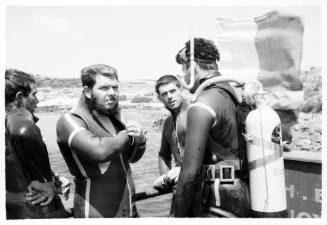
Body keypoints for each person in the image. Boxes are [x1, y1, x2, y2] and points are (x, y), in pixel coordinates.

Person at [56, 64, 146, 218]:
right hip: (95, 212)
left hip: (129, 210)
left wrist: (140, 140)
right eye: (104, 88)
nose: (112, 93)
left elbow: (131, 158)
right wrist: (127, 134)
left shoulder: (113, 115)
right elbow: (99, 152)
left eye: (115, 87)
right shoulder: (70, 120)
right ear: (87, 91)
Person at [173, 38, 251, 217]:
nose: (183, 76)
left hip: (218, 196)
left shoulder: (203, 103)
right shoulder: (235, 93)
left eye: (184, 69)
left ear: (193, 68)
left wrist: (178, 215)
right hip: (242, 192)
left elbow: (190, 173)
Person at [5, 69, 68, 219]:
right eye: (34, 94)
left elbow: (16, 165)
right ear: (19, 98)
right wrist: (45, 181)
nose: (38, 101)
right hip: (37, 212)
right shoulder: (16, 114)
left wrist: (52, 178)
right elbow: (24, 131)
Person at [153, 75, 190, 215]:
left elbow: (206, 150)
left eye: (173, 91)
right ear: (159, 98)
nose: (169, 96)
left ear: (181, 90)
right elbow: (163, 154)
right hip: (179, 188)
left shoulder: (195, 113)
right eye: (164, 94)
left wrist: (183, 168)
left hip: (200, 184)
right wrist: (164, 177)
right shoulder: (168, 123)